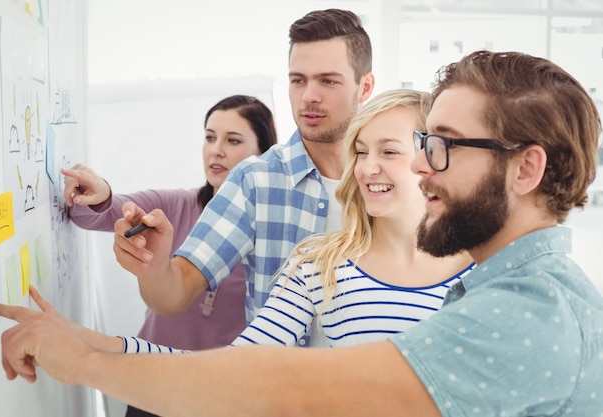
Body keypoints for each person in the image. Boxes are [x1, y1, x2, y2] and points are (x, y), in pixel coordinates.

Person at [0, 50, 603, 416]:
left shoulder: (530, 314)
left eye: (436, 147)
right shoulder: (501, 288)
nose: (417, 165)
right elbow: (240, 364)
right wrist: (89, 343)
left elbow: (279, 387)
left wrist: (86, 363)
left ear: (526, 168)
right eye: (415, 146)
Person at [118, 89, 475, 351]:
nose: (367, 168)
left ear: (432, 157)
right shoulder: (319, 266)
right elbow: (240, 364)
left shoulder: (486, 269)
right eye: (361, 152)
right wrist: (112, 350)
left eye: (389, 151)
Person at [112, 9, 375, 343]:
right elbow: (173, 295)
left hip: (371, 389)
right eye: (298, 80)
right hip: (277, 390)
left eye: (328, 80)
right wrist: (152, 266)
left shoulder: (400, 177)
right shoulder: (254, 181)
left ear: (364, 86)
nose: (309, 95)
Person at [61, 94, 277, 417]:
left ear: (264, 154)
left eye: (233, 140)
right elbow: (91, 215)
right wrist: (102, 193)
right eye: (209, 137)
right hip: (153, 385)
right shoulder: (175, 206)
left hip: (224, 397)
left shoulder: (275, 230)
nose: (216, 149)